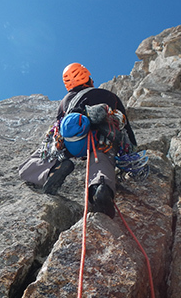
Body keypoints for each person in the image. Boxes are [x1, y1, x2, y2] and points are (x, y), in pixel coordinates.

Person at [19, 63, 137, 219]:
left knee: (32, 164)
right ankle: (99, 188)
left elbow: (58, 127)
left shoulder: (66, 101)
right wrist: (132, 150)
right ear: (88, 77)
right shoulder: (108, 96)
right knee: (101, 158)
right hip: (101, 138)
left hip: (72, 141)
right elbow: (125, 126)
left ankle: (51, 169)